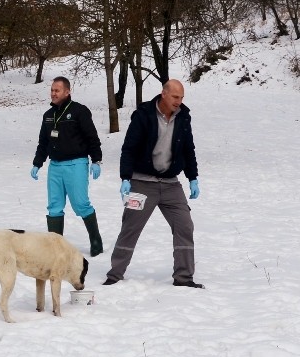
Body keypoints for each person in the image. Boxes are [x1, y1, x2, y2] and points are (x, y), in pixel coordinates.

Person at [103, 79, 203, 288]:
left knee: (185, 226)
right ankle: (115, 274)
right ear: (163, 94)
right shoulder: (144, 115)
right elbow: (128, 148)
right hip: (142, 182)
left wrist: (193, 178)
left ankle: (184, 278)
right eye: (176, 97)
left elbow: (188, 149)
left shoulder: (183, 117)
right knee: (130, 227)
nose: (179, 101)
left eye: (182, 97)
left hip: (171, 184)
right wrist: (125, 178)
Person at [30, 76, 104, 256]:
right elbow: (43, 142)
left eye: (57, 90)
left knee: (81, 204)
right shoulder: (48, 116)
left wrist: (96, 160)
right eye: (52, 90)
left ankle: (96, 240)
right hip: (55, 167)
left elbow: (91, 137)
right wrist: (37, 163)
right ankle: (55, 247)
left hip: (76, 164)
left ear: (67, 91)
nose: (53, 93)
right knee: (54, 206)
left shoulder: (79, 111)